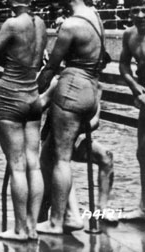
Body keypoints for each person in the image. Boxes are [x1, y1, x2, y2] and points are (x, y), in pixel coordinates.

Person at [36, 0, 106, 234]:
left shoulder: (70, 25)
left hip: (71, 90)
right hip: (90, 90)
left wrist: (32, 90)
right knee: (52, 155)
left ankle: (58, 221)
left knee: (61, 159)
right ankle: (71, 214)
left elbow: (52, 66)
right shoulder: (95, 16)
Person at [0, 0, 47, 241]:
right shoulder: (41, 23)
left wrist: (4, 60)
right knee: (34, 164)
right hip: (33, 96)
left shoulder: (12, 24)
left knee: (17, 164)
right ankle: (33, 226)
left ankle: (20, 229)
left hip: (11, 96)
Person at [38, 77, 115, 225]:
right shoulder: (60, 81)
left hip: (75, 136)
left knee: (106, 157)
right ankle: (44, 223)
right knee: (46, 196)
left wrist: (73, 129)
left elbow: (95, 120)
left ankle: (103, 209)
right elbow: (41, 103)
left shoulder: (96, 87)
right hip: (51, 140)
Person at [119, 3, 145, 220]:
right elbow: (124, 64)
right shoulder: (130, 34)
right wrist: (135, 87)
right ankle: (144, 207)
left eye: (144, 9)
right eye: (134, 10)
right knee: (142, 152)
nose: (140, 15)